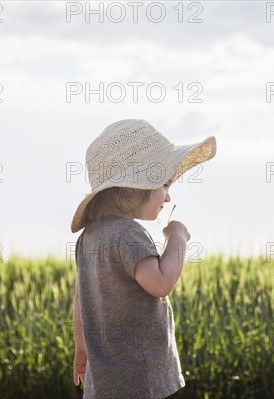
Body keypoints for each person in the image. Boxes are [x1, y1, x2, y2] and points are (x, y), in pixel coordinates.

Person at [70, 119, 216, 398]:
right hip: (142, 381)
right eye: (164, 184)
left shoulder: (88, 239)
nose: (168, 195)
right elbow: (160, 283)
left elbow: (81, 299)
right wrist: (178, 238)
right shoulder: (128, 234)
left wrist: (81, 351)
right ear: (131, 188)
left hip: (102, 383)